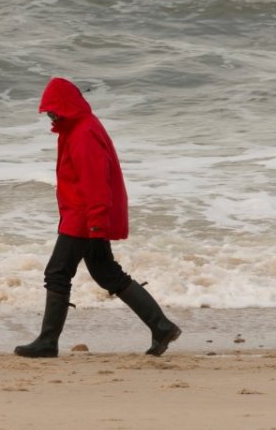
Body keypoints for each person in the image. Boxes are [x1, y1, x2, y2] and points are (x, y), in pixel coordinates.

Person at [16, 76, 181, 358]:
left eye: (53, 110)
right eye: (48, 112)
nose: (51, 116)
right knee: (106, 272)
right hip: (84, 214)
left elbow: (95, 183)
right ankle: (161, 325)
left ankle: (47, 341)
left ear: (66, 106)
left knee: (57, 273)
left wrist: (96, 222)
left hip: (84, 217)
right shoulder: (78, 128)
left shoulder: (82, 133)